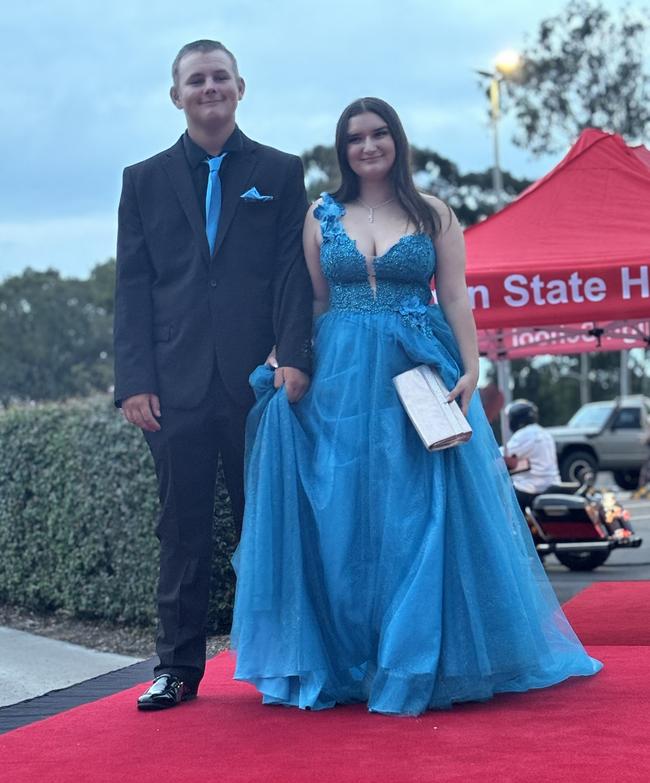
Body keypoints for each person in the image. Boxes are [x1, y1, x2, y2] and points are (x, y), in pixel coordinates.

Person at [230, 97, 601, 716]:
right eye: (355, 138)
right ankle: (349, 658)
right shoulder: (322, 214)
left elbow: (455, 296)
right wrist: (281, 355)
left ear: (396, 140)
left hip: (420, 372)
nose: (368, 146)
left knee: (418, 509)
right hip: (342, 378)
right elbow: (315, 302)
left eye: (379, 134)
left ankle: (418, 658)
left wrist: (473, 368)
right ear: (342, 148)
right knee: (343, 513)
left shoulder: (433, 214)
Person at [114, 40, 312, 711]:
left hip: (258, 383)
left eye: (219, 77)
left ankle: (282, 661)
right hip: (172, 385)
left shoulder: (281, 173)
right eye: (196, 80)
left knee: (270, 524)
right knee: (182, 529)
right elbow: (134, 285)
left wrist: (292, 353)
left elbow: (292, 273)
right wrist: (134, 378)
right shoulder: (142, 179)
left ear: (240, 87)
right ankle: (176, 667)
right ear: (177, 95)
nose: (209, 88)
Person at [503, 399, 561, 511]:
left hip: (533, 488)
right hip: (551, 484)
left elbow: (502, 454)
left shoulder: (524, 434)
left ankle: (514, 528)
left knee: (502, 500)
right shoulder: (544, 433)